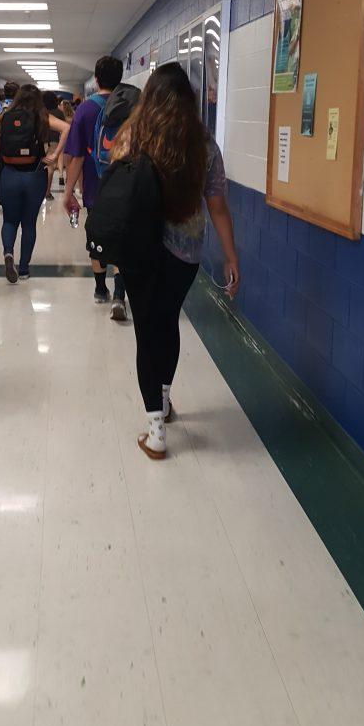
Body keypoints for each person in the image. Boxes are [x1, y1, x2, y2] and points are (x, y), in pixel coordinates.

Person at [111, 63, 239, 461]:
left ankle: (155, 431)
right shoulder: (204, 144)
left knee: (146, 331)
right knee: (167, 323)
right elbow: (217, 206)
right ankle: (164, 399)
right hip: (185, 254)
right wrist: (232, 256)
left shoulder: (134, 136)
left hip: (140, 251)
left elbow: (115, 181)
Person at [63, 57, 128, 321]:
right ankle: (119, 296)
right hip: (125, 186)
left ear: (96, 79)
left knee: (98, 235)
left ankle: (100, 289)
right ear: (120, 77)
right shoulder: (131, 106)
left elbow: (76, 156)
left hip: (95, 187)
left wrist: (67, 193)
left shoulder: (85, 110)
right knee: (123, 240)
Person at [0, 83, 69, 282]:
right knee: (28, 223)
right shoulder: (42, 117)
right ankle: (24, 269)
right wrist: (55, 154)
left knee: (9, 220)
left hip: (10, 174)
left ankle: (9, 254)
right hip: (35, 174)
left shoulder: (4, 116)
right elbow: (67, 128)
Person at [42, 90, 66, 200]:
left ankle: (38, 190)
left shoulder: (40, 112)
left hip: (40, 141)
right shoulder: (59, 113)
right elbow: (63, 130)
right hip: (54, 142)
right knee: (50, 167)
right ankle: (47, 192)